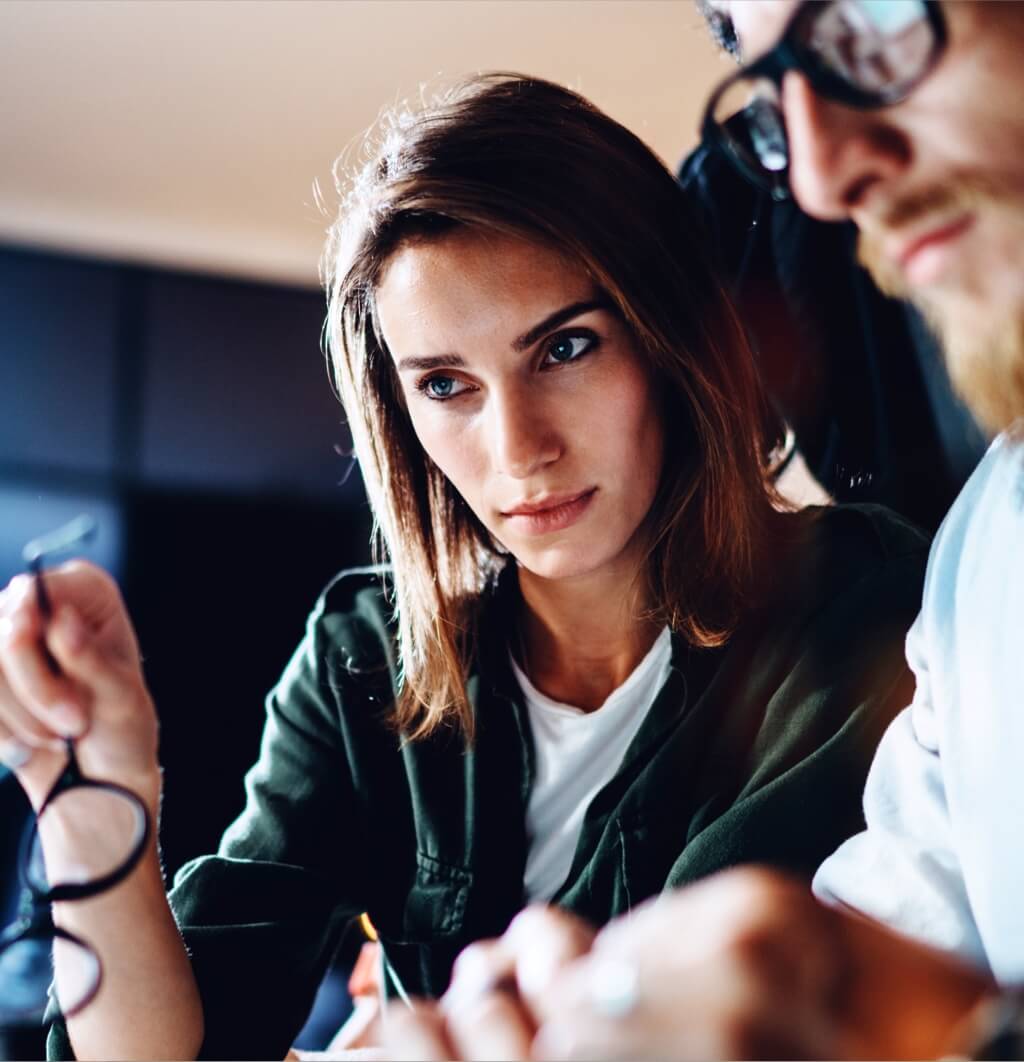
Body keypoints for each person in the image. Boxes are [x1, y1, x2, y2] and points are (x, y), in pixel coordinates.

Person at [0, 74, 928, 1061]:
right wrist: (92, 795)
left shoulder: (850, 598)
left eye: (565, 348)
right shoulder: (363, 656)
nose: (517, 448)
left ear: (671, 340)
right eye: (446, 384)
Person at [384, 3, 1024, 1059]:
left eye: (871, 17)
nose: (819, 178)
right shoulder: (983, 555)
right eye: (776, 83)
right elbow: (882, 937)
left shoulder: (856, 592)